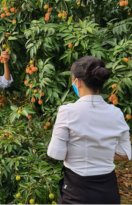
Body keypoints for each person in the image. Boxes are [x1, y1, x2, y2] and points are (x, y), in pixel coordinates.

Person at [47, 56, 131, 205]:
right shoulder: (116, 113)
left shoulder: (67, 111)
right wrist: (100, 152)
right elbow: (125, 154)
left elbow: (56, 153)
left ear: (77, 82)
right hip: (108, 190)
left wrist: (84, 151)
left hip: (77, 191)